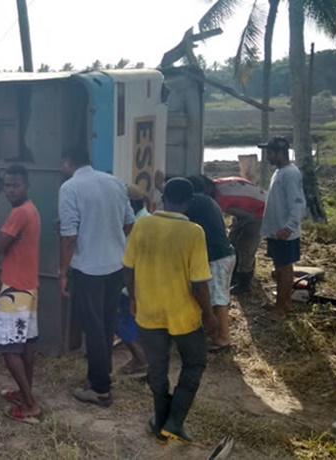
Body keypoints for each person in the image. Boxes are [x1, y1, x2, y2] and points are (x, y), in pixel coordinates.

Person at [123, 178, 217, 444]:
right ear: (188, 202)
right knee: (195, 363)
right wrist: (209, 316)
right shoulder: (193, 232)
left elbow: (127, 267)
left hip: (149, 311)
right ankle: (174, 421)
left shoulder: (142, 225)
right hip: (183, 315)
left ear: (164, 199)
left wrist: (132, 298)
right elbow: (199, 282)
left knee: (158, 368)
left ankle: (160, 421)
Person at [58, 149, 135, 407]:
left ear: (68, 162)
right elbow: (129, 223)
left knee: (93, 328)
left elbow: (69, 236)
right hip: (115, 265)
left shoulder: (70, 188)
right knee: (105, 323)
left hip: (88, 269)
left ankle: (100, 389)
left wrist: (63, 272)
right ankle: (104, 376)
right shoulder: (114, 182)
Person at [0, 165, 41, 422]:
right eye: (7, 185)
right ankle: (26, 394)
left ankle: (30, 405)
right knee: (25, 345)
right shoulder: (30, 208)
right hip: (28, 286)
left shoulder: (19, 213)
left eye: (15, 185)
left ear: (26, 185)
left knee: (9, 347)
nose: (10, 189)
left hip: (14, 288)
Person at [258, 137, 306, 322]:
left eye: (269, 153)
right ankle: (284, 303)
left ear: (280, 153)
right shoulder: (279, 172)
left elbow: (297, 203)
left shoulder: (290, 174)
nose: (267, 157)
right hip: (276, 230)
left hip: (284, 232)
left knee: (284, 269)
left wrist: (288, 227)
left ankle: (280, 310)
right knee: (280, 268)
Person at [187, 176, 237, 353]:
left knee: (217, 299)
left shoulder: (197, 201)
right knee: (217, 296)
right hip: (224, 255)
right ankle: (217, 333)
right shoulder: (207, 201)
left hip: (218, 257)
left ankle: (223, 338)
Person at [201, 175, 267, 294]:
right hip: (243, 210)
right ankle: (235, 275)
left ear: (207, 188)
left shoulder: (221, 196)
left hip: (259, 212)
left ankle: (244, 283)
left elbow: (215, 221)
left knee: (245, 248)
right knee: (232, 242)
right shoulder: (218, 184)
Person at [115, 185, 150, 378]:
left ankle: (140, 360)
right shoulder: (148, 219)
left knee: (120, 322)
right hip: (148, 283)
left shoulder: (137, 225)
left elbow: (128, 263)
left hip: (134, 286)